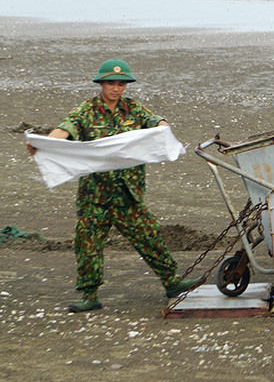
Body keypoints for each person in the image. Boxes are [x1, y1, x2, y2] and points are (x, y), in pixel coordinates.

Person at [25, 59, 196, 312]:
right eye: (110, 83)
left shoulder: (133, 109)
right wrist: (45, 143)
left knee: (150, 238)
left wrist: (161, 128)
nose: (115, 89)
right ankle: (89, 295)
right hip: (95, 194)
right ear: (101, 83)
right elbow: (65, 129)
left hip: (128, 193)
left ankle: (172, 282)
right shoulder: (87, 110)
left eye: (120, 84)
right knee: (88, 245)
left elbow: (157, 122)